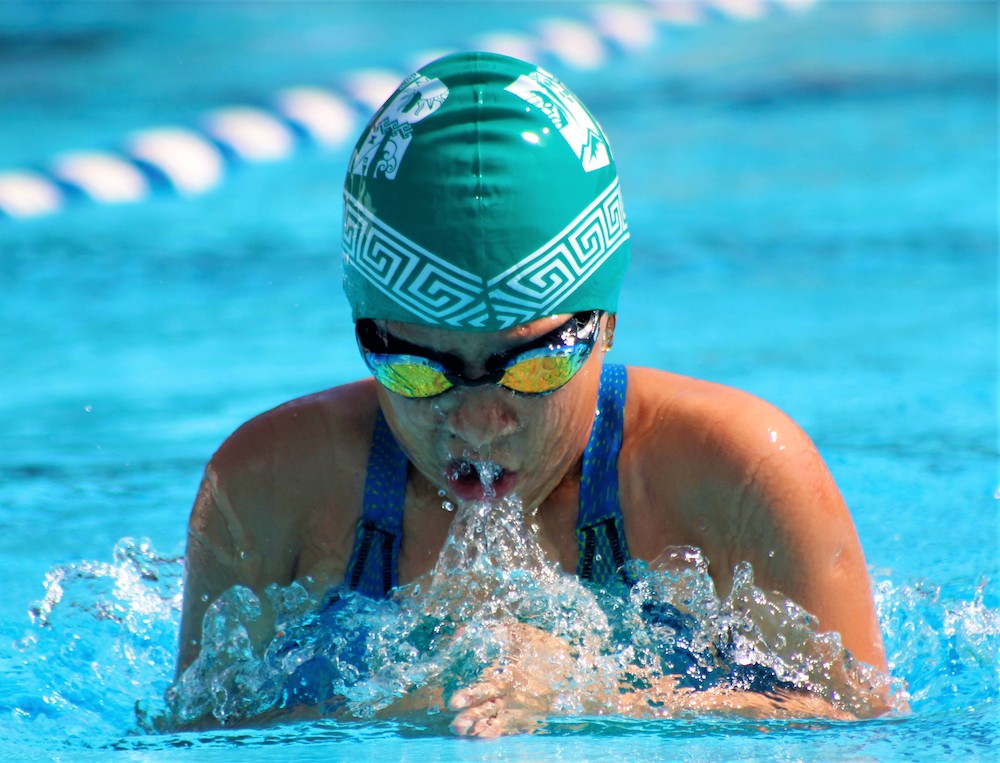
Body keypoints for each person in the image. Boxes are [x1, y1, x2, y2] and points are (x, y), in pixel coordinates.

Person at [175, 51, 890, 735]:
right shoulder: (265, 490)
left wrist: (597, 689)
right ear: (367, 333)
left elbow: (855, 728)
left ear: (606, 323)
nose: (481, 423)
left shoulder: (742, 479)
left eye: (535, 365)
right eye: (420, 370)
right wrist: (427, 697)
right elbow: (200, 738)